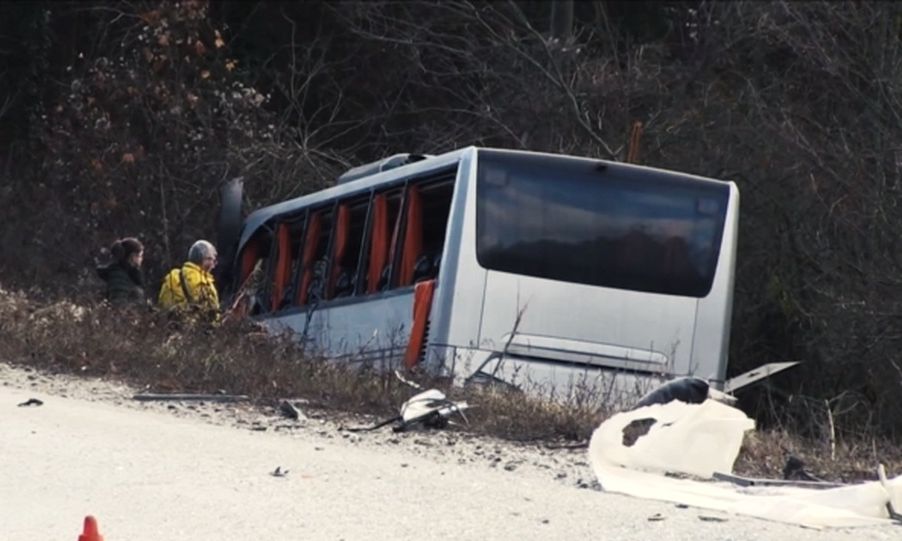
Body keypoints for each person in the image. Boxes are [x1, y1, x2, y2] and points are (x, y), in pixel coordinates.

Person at [158, 240, 220, 320]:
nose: (214, 265)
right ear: (205, 260)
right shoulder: (204, 282)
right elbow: (213, 314)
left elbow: (162, 304)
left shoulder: (172, 276)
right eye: (213, 260)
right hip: (196, 330)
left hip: (168, 328)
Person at [96, 237, 146, 305]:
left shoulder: (130, 274)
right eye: (140, 256)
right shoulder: (118, 276)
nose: (141, 259)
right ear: (133, 256)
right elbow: (118, 303)